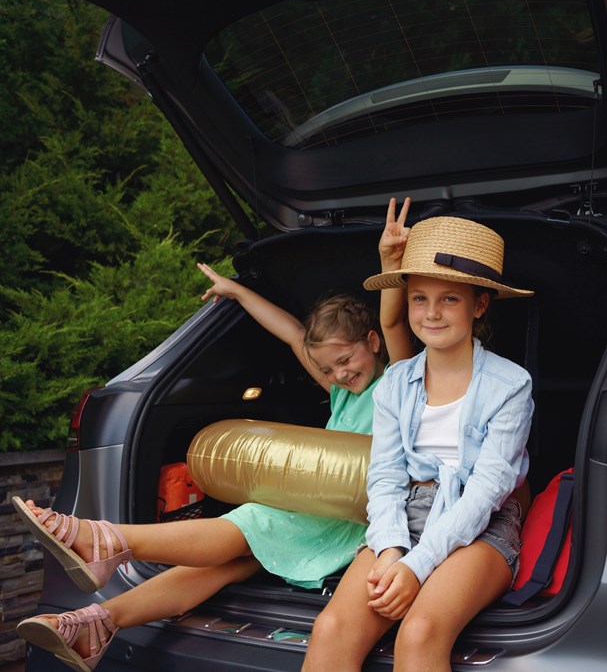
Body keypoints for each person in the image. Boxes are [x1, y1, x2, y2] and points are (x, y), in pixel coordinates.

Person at [14, 199, 416, 672]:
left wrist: (391, 263)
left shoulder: (399, 381)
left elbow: (393, 322)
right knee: (219, 563)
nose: (341, 373)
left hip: (357, 517)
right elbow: (291, 334)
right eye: (329, 367)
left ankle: (104, 538)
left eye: (347, 360)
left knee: (252, 520)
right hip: (314, 512)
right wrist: (240, 294)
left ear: (373, 343)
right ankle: (100, 621)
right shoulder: (342, 391)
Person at [301, 215, 535, 672]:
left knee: (421, 630)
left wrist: (418, 564)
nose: (431, 313)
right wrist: (390, 549)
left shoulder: (511, 385)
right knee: (331, 629)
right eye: (419, 298)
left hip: (481, 522)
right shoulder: (395, 382)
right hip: (406, 513)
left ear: (479, 305)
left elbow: (488, 489)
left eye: (449, 299)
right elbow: (386, 477)